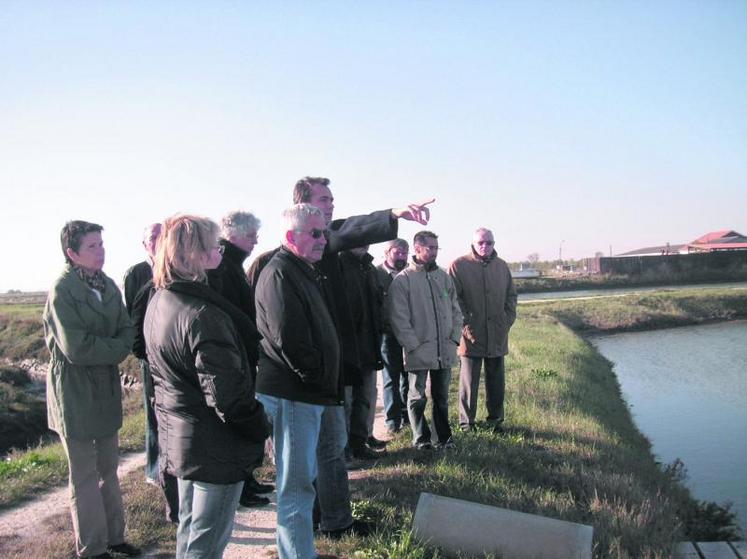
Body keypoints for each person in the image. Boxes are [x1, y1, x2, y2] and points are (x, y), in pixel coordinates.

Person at [247, 176, 434, 539]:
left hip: (327, 374)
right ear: (302, 206)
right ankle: (317, 525)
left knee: (330, 451)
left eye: (332, 199)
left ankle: (335, 521)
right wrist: (395, 213)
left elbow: (348, 229)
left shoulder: (316, 248)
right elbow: (287, 337)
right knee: (307, 466)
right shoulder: (286, 263)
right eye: (323, 199)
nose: (331, 205)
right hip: (305, 383)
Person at [144, 214, 269, 559]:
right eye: (214, 244)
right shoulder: (201, 313)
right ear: (194, 254)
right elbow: (228, 398)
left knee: (191, 530)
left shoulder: (161, 301)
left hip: (184, 437)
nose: (220, 249)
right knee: (207, 541)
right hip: (215, 445)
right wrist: (259, 424)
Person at [43, 220, 139, 559]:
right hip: (74, 394)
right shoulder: (63, 290)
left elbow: (127, 331)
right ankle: (93, 548)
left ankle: (115, 538)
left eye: (101, 244)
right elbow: (77, 349)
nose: (101, 252)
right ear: (72, 253)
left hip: (106, 391)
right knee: (84, 476)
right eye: (92, 247)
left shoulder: (108, 286)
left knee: (109, 471)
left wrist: (115, 346)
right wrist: (114, 348)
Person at [254, 204, 340, 559]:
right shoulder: (280, 274)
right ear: (292, 237)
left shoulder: (302, 269)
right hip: (293, 396)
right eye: (316, 233)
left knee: (302, 485)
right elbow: (290, 341)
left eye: (325, 232)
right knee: (296, 487)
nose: (324, 240)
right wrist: (319, 377)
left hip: (307, 395)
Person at [208, 210, 273, 508]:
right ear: (232, 235)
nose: (256, 240)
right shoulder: (223, 264)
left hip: (241, 350)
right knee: (237, 420)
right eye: (250, 235)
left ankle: (247, 479)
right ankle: (242, 484)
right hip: (234, 353)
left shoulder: (231, 262)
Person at [123, 223, 180, 524]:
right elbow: (133, 315)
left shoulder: (173, 267)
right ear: (143, 243)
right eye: (152, 239)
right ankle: (154, 469)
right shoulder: (136, 274)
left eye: (161, 238)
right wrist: (142, 353)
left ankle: (169, 470)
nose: (157, 243)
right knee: (153, 416)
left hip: (169, 356)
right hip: (149, 355)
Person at [388, 230, 462, 450]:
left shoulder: (443, 277)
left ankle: (444, 438)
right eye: (430, 247)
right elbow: (399, 318)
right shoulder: (403, 281)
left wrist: (454, 338)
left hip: (445, 348)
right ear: (417, 248)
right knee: (417, 395)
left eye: (436, 247)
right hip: (419, 349)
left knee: (441, 395)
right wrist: (413, 346)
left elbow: (456, 310)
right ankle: (421, 438)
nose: (434, 251)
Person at [448, 227, 517, 432]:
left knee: (496, 381)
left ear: (494, 243)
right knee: (469, 381)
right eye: (481, 242)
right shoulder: (458, 266)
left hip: (497, 333)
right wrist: (465, 324)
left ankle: (495, 421)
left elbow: (511, 296)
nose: (485, 246)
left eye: (489, 242)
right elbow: (453, 299)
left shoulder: (502, 266)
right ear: (473, 243)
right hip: (471, 334)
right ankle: (466, 423)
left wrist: (506, 320)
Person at [339, 245, 385, 459]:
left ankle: (359, 443)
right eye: (357, 240)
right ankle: (344, 448)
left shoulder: (369, 268)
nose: (363, 244)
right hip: (346, 348)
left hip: (368, 345)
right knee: (345, 402)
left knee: (365, 398)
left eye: (366, 240)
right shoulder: (338, 264)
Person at [375, 238, 410, 434]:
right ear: (387, 253)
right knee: (390, 378)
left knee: (408, 376)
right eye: (398, 253)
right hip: (387, 334)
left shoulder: (409, 273)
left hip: (408, 333)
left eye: (405, 253)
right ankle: (392, 420)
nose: (402, 257)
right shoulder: (376, 274)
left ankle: (407, 416)